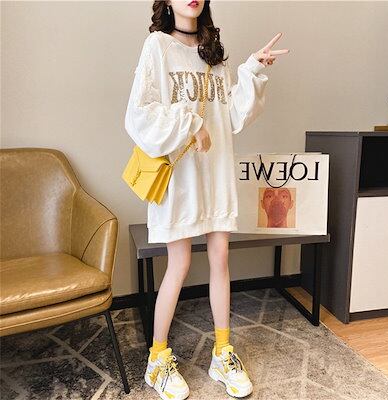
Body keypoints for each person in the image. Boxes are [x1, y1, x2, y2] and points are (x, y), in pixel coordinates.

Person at [124, 1, 289, 399]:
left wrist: (252, 69)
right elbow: (140, 113)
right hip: (180, 177)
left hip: (215, 172)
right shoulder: (157, 46)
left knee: (220, 258)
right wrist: (191, 123)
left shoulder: (211, 48)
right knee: (179, 263)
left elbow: (230, 116)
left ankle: (222, 352)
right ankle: (157, 360)